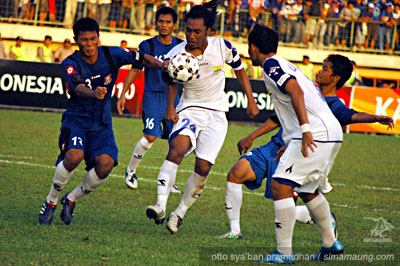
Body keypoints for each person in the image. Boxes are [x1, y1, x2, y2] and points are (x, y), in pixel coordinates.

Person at [217, 54, 394, 240]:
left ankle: (311, 225)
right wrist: (251, 136)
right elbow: (277, 118)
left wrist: (376, 118)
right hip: (276, 145)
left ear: (335, 78)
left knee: (285, 206)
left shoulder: (332, 105)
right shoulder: (308, 89)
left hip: (297, 151)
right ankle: (235, 231)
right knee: (236, 173)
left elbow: (351, 116)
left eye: (325, 69)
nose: (320, 71)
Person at [145, 2, 259, 234]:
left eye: (197, 31)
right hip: (190, 109)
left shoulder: (222, 46)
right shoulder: (176, 53)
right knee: (176, 149)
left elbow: (239, 69)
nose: (191, 35)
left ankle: (179, 214)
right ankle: (160, 205)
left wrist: (251, 99)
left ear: (209, 31)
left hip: (217, 115)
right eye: (188, 30)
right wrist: (170, 108)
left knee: (203, 167)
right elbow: (170, 82)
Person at [38, 17, 165, 226]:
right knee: (74, 157)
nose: (89, 44)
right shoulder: (70, 63)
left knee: (105, 165)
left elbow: (142, 59)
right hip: (77, 119)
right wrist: (93, 93)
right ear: (76, 40)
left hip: (102, 122)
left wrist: (164, 66)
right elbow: (77, 87)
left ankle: (71, 199)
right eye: (84, 40)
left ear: (99, 37)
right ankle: (51, 201)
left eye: (92, 39)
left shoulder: (111, 54)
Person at [247, 24, 344, 263]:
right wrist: (293, 138)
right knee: (308, 189)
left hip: (316, 132)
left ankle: (284, 253)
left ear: (253, 48)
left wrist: (305, 131)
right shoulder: (285, 64)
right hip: (331, 132)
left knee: (280, 186)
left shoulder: (270, 65)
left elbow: (296, 93)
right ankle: (331, 244)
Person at [117, 7, 183, 191]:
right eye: (161, 21)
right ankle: (131, 170)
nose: (164, 25)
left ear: (174, 25)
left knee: (177, 142)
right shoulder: (147, 46)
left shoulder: (181, 45)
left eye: (168, 22)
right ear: (156, 23)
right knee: (150, 136)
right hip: (152, 96)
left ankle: (170, 180)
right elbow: (134, 69)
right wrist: (123, 94)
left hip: (174, 98)